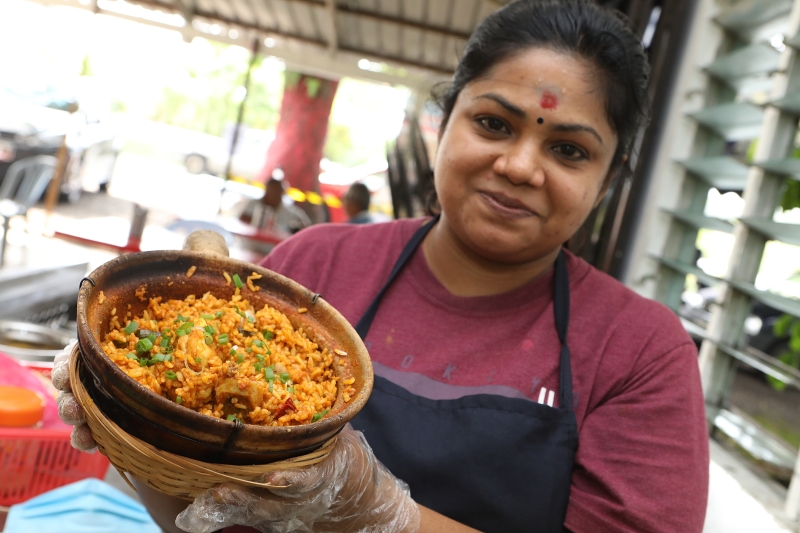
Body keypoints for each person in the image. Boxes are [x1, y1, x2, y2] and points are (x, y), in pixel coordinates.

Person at [54, 1, 710, 532]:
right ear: (444, 119)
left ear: (610, 177)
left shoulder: (638, 352)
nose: (518, 165)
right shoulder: (312, 268)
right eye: (493, 123)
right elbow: (205, 512)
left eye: (568, 149)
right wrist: (129, 424)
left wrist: (378, 511)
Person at [239, 177, 311, 235]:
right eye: (272, 191)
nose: (274, 195)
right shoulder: (253, 204)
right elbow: (242, 220)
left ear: (283, 193)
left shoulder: (291, 212)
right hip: (249, 245)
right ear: (266, 190)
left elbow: (306, 227)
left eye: (278, 192)